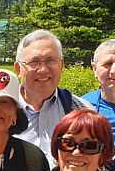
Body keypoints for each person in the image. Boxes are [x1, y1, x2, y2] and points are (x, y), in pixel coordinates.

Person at [12, 29, 90, 161]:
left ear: (62, 66)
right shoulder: (3, 111)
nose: (43, 69)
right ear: (18, 69)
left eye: (51, 61)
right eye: (34, 62)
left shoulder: (81, 110)